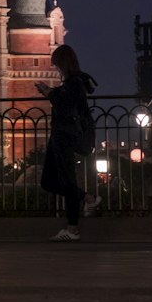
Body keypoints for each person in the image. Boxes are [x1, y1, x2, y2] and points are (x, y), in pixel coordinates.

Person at [38, 43, 97, 242]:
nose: (56, 70)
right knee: (48, 181)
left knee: (67, 181)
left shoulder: (75, 84)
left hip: (66, 136)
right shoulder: (73, 83)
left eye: (57, 66)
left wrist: (49, 92)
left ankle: (73, 227)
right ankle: (86, 199)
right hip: (60, 135)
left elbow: (65, 107)